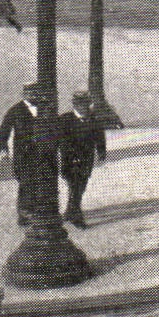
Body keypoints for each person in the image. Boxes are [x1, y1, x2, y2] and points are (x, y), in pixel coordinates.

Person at [0, 83, 59, 227]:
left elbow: (55, 128)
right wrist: (3, 149)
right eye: (30, 93)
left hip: (43, 154)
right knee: (26, 183)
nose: (34, 95)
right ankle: (24, 214)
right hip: (23, 155)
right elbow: (3, 131)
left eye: (36, 92)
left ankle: (37, 213)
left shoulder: (45, 107)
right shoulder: (15, 110)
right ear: (24, 94)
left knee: (41, 182)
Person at [58, 91, 108, 227]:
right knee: (74, 186)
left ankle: (70, 211)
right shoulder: (65, 120)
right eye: (79, 104)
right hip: (70, 160)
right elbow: (63, 141)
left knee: (81, 186)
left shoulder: (94, 120)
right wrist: (71, 155)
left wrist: (101, 152)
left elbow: (100, 138)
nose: (83, 107)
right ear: (74, 105)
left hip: (86, 160)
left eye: (86, 104)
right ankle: (76, 216)